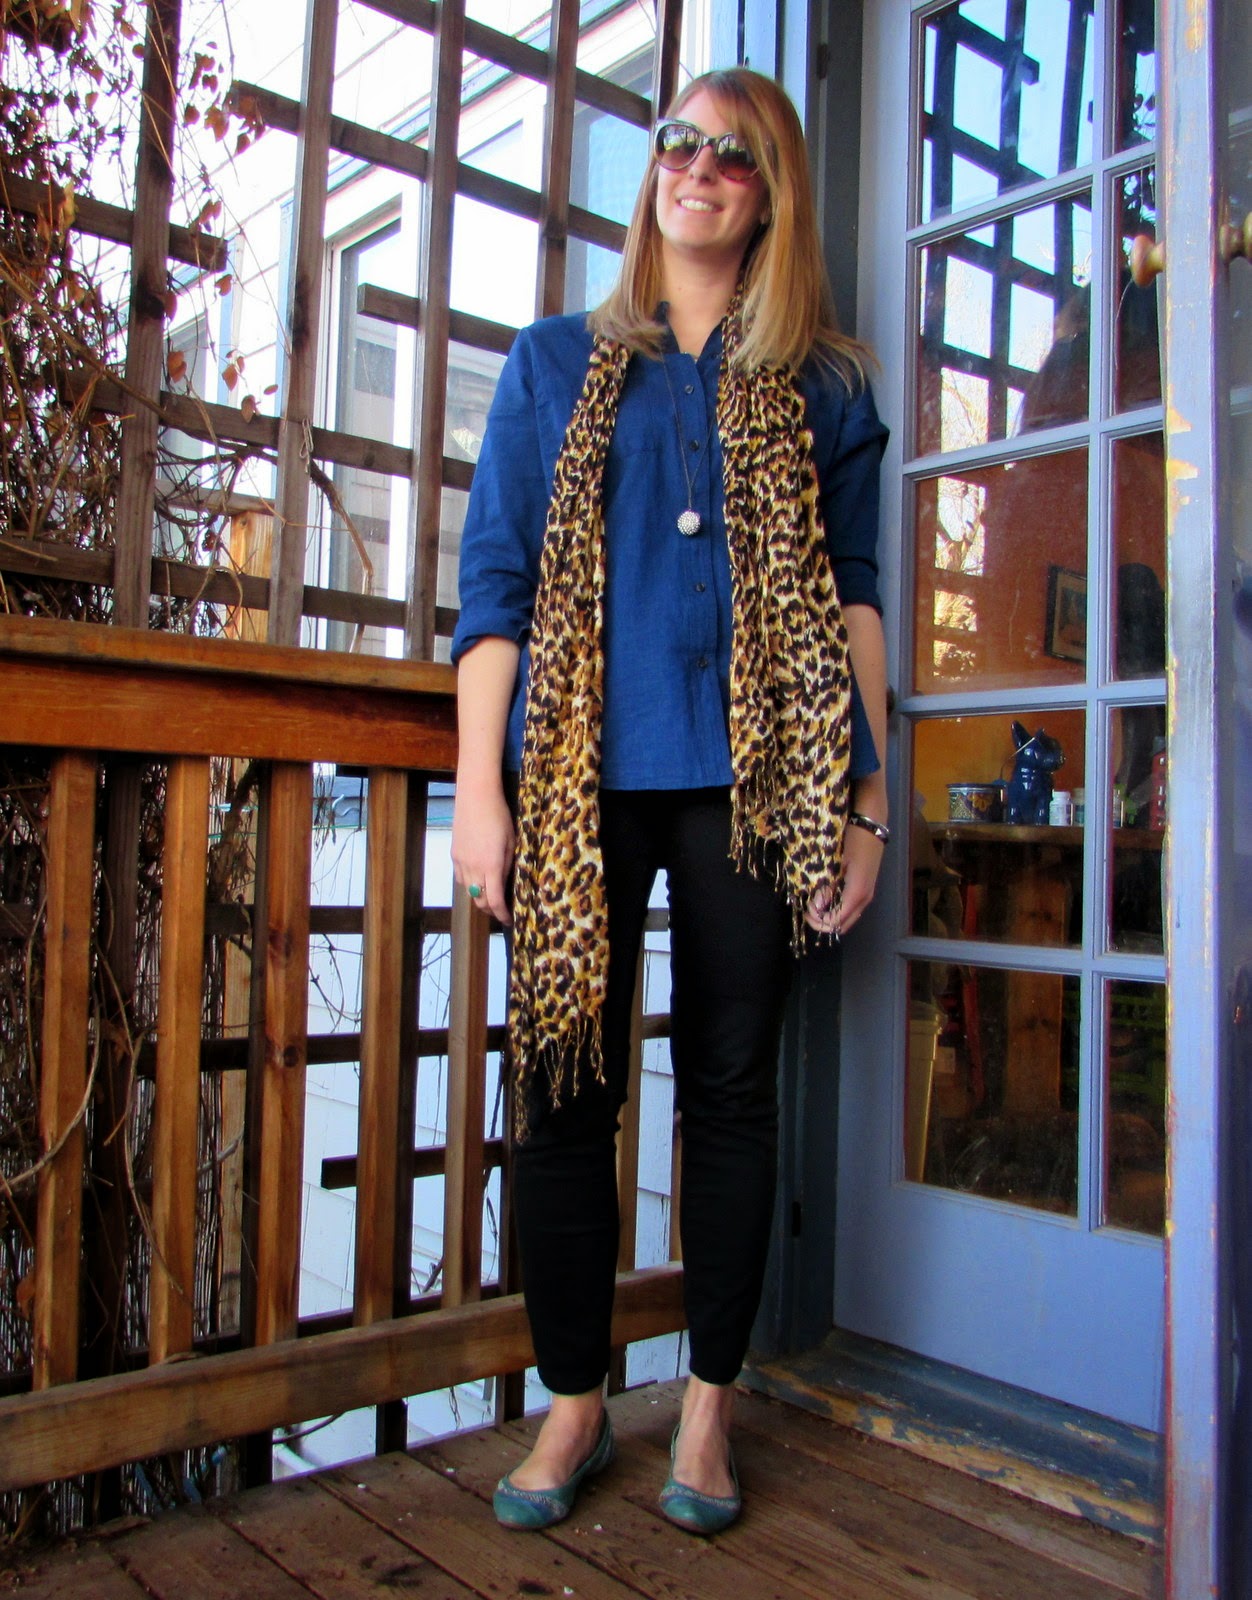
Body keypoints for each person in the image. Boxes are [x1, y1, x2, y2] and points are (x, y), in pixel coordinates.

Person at [450, 65, 889, 1535]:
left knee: (731, 1091)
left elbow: (856, 601)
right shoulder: (554, 363)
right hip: (581, 780)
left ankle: (706, 1409)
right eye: (677, 142)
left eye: (732, 155)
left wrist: (866, 800)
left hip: (758, 786)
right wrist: (480, 787)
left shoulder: (825, 384)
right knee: (563, 1090)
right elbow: (496, 591)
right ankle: (576, 1402)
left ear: (771, 196)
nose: (696, 168)